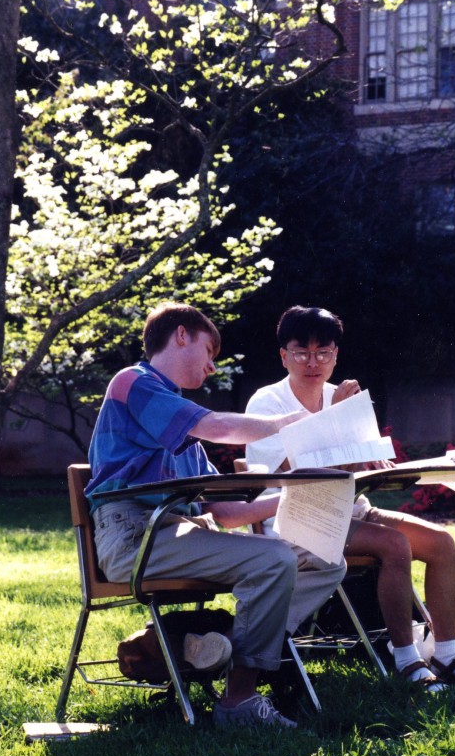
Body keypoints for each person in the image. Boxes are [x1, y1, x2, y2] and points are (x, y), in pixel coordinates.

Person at [86, 301, 345, 729]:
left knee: (324, 557)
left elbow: (226, 513)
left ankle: (227, 642)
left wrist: (304, 488)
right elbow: (217, 427)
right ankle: (238, 700)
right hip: (135, 539)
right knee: (274, 560)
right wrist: (292, 422)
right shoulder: (133, 381)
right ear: (182, 335)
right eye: (210, 353)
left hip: (177, 533)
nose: (210, 368)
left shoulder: (184, 435)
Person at [246, 305, 455, 692]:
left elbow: (358, 465)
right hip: (296, 517)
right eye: (301, 352)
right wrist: (335, 419)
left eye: (323, 352)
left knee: (441, 542)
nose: (313, 362)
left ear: (336, 355)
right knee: (392, 545)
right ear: (283, 355)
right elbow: (284, 470)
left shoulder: (340, 396)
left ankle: (447, 651)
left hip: (351, 509)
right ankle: (406, 659)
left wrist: (380, 463)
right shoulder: (266, 402)